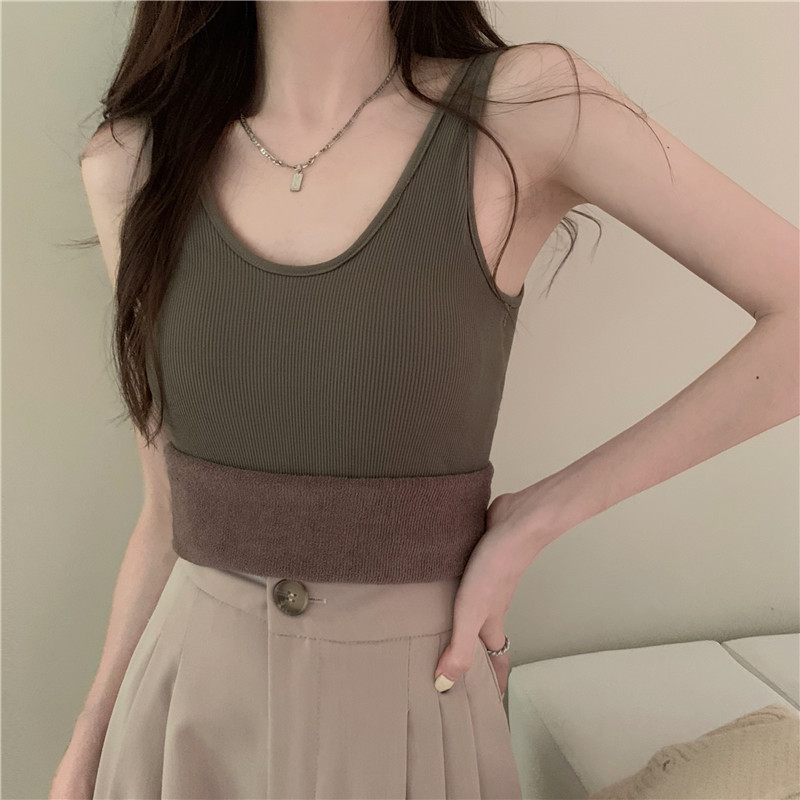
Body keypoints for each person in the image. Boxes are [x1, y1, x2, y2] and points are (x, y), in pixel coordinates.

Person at [51, 2, 798, 799]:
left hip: (410, 711)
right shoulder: (134, 162)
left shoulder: (529, 109)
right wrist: (90, 741)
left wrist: (533, 520)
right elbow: (168, 509)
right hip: (184, 720)